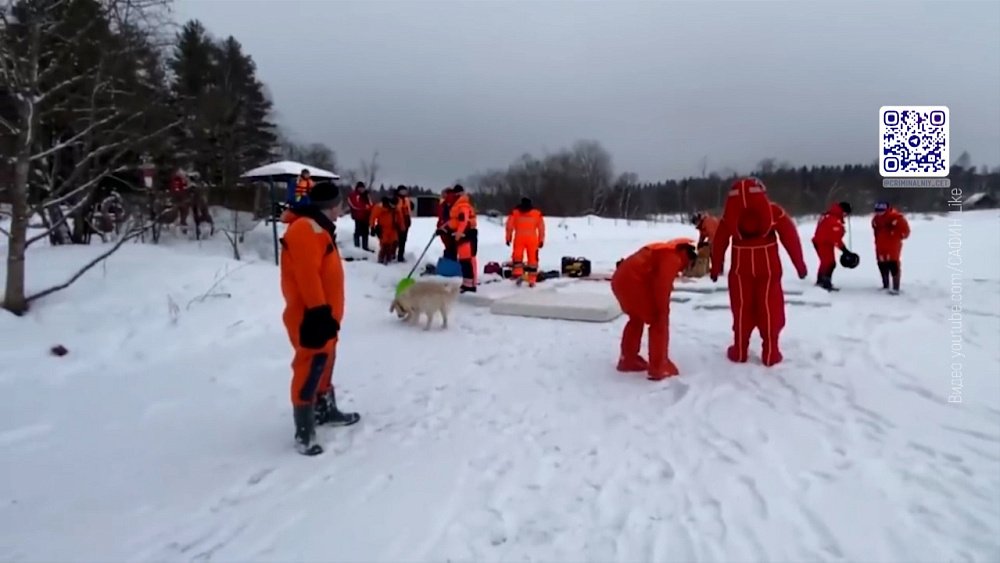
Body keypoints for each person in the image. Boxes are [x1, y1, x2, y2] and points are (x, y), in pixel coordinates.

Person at [279, 182, 360, 456]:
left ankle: (325, 410)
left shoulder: (320, 228)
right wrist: (318, 310)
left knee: (325, 363)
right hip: (311, 316)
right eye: (340, 203)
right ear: (331, 205)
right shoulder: (306, 229)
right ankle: (304, 431)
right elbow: (307, 274)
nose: (342, 208)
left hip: (326, 316)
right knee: (310, 365)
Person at [710, 177, 808, 366]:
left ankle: (740, 349)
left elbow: (720, 241)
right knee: (770, 306)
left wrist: (716, 267)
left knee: (741, 307)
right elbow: (790, 237)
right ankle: (771, 351)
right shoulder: (773, 212)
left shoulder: (730, 215)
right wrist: (800, 266)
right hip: (768, 267)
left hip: (741, 267)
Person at [611, 238, 697, 380]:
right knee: (658, 321)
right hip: (632, 283)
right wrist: (662, 311)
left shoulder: (663, 250)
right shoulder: (673, 258)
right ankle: (659, 367)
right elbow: (662, 286)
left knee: (636, 318)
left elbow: (650, 276)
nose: (684, 269)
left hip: (620, 280)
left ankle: (628, 359)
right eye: (688, 264)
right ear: (685, 254)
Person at [441, 185, 478, 292]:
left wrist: (458, 233)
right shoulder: (456, 205)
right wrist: (443, 228)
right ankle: (467, 283)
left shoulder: (463, 206)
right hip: (461, 234)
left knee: (467, 260)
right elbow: (453, 220)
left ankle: (470, 285)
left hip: (467, 234)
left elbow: (463, 221)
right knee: (463, 260)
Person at [812, 201, 853, 291]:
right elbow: (835, 238)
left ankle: (821, 281)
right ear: (844, 211)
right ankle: (825, 283)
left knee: (826, 262)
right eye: (846, 214)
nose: (846, 216)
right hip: (823, 243)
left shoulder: (829, 215)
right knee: (829, 263)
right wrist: (845, 250)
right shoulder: (833, 220)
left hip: (822, 242)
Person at [505, 197, 546, 287]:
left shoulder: (515, 213)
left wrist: (508, 238)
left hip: (519, 237)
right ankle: (532, 280)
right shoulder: (537, 213)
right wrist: (541, 240)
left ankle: (518, 275)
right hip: (532, 239)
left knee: (517, 258)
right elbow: (541, 228)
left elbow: (509, 226)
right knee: (533, 260)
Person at [871, 201, 910, 294]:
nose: (879, 213)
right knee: (882, 264)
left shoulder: (897, 218)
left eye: (881, 210)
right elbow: (875, 229)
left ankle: (896, 287)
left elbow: (906, 232)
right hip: (880, 246)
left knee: (893, 264)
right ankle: (885, 285)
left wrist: (895, 234)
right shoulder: (876, 219)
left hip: (892, 246)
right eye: (877, 211)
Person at [369, 196, 405, 265]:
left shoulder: (396, 208)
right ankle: (381, 259)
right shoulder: (380, 207)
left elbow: (400, 218)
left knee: (394, 243)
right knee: (385, 244)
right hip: (383, 229)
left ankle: (390, 257)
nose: (394, 206)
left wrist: (402, 228)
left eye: (395, 205)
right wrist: (372, 227)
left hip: (393, 229)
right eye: (393, 205)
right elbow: (372, 217)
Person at [347, 181, 373, 251]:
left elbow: (370, 204)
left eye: (363, 188)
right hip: (358, 216)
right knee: (358, 231)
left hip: (366, 216)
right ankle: (357, 246)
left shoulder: (366, 195)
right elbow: (354, 204)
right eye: (360, 188)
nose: (362, 189)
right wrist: (365, 207)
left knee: (366, 232)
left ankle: (365, 246)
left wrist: (370, 208)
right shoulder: (354, 195)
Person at [437, 187, 457, 261]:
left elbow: (448, 218)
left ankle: (451, 263)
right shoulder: (444, 203)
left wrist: (443, 227)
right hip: (445, 228)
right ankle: (450, 261)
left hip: (449, 229)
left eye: (443, 194)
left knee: (451, 247)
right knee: (450, 247)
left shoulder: (449, 203)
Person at [395, 185, 413, 262]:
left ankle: (400, 256)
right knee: (396, 240)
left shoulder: (407, 200)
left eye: (404, 191)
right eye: (402, 191)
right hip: (397, 222)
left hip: (406, 222)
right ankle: (392, 254)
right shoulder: (395, 199)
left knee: (403, 240)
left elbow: (410, 208)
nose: (403, 193)